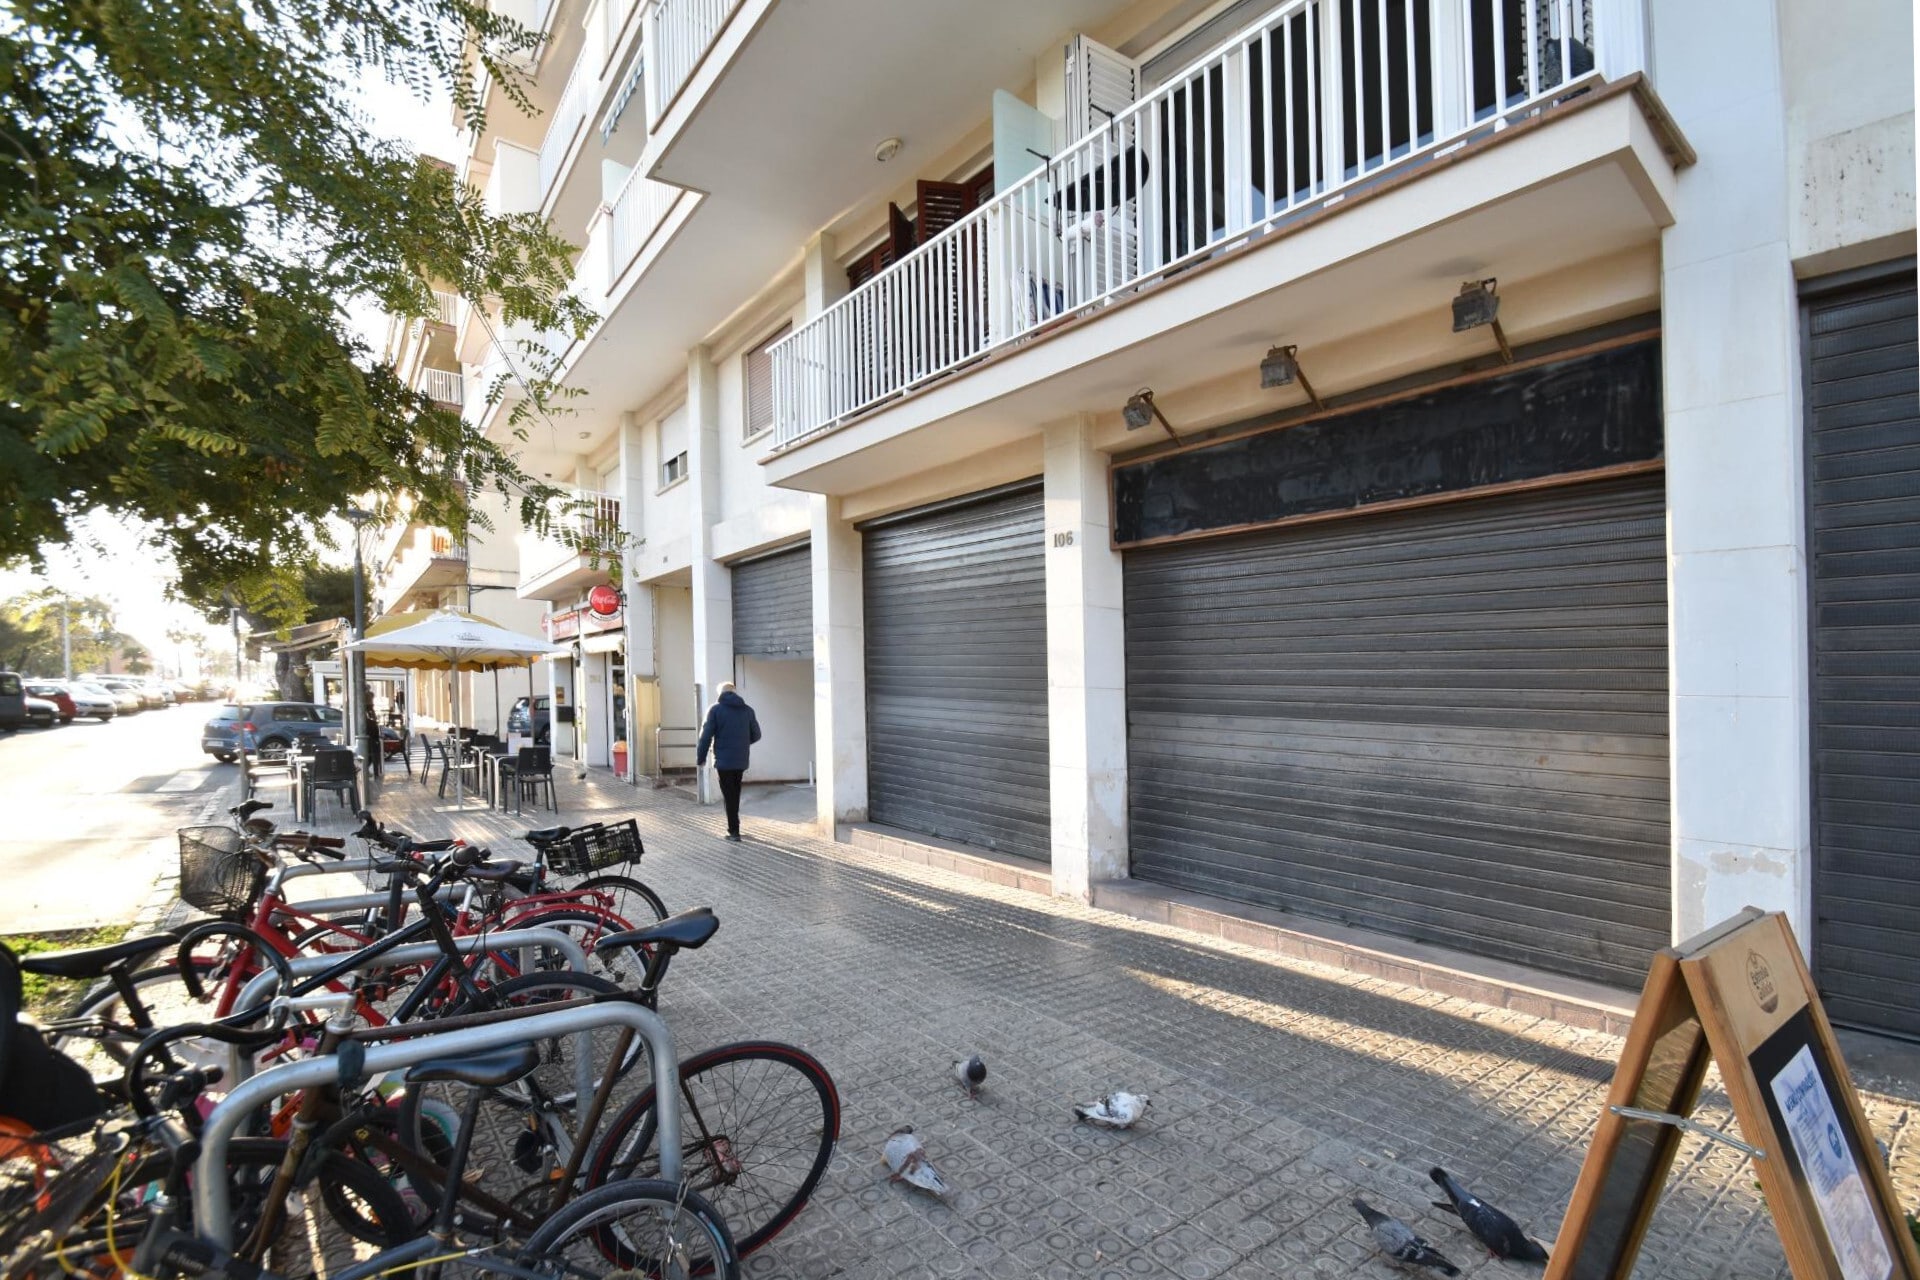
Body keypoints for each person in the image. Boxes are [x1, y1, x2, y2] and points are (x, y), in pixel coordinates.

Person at [695, 682, 760, 841]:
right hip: (741, 760)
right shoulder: (748, 710)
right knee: (735, 793)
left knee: (729, 795)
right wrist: (741, 744)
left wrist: (701, 758)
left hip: (723, 761)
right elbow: (757, 735)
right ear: (735, 692)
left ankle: (734, 831)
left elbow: (705, 737)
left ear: (720, 693)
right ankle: (735, 827)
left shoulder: (715, 710)